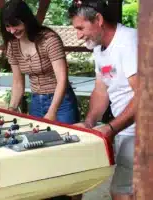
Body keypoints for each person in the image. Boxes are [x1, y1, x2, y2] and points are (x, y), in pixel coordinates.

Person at [68, 0, 138, 200]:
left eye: (81, 28)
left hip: (142, 130)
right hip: (126, 130)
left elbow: (144, 96)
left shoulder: (129, 42)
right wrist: (89, 123)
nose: (78, 35)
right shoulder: (99, 48)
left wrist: (111, 127)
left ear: (98, 19)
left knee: (123, 192)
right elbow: (101, 91)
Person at [0, 0, 80, 125]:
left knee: (65, 141)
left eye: (15, 24)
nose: (12, 30)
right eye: (7, 26)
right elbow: (17, 81)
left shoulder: (49, 39)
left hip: (62, 102)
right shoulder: (12, 45)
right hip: (36, 100)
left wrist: (52, 111)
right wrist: (12, 109)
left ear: (26, 19)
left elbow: (62, 79)